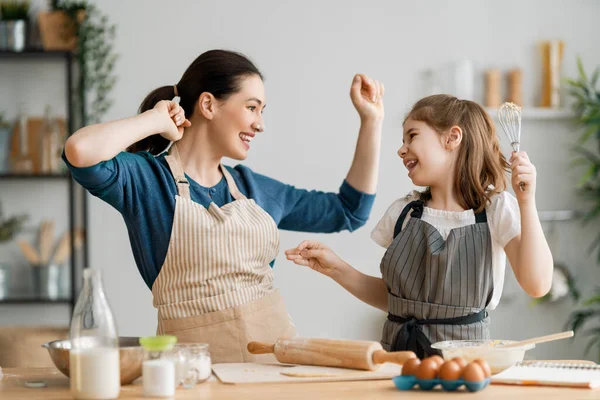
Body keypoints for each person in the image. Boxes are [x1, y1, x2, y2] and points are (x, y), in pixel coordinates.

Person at [63, 49, 385, 363]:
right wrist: (153, 120)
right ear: (208, 105)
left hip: (274, 367)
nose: (260, 124)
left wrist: (371, 121)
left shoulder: (253, 189)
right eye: (252, 107)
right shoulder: (146, 181)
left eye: (262, 111)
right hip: (194, 374)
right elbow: (79, 151)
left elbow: (349, 211)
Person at [285, 94, 553, 359]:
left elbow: (537, 284)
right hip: (398, 362)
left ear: (452, 138)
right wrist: (336, 268)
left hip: (465, 368)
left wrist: (526, 201)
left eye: (412, 136)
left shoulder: (495, 210)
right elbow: (396, 300)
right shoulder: (403, 213)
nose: (401, 149)